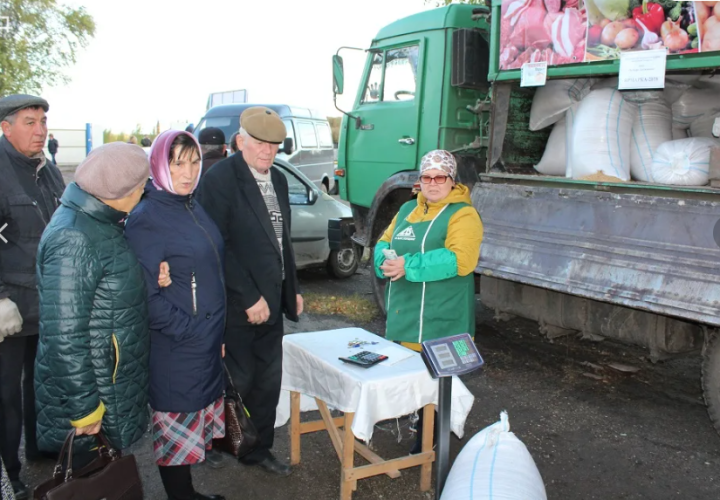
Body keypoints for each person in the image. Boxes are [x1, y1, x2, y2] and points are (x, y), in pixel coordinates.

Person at [196, 107, 302, 477]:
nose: (267, 152)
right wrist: (247, 298)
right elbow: (215, 245)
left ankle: (257, 450)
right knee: (232, 379)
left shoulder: (280, 181)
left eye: (274, 145)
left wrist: (294, 289)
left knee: (267, 382)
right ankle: (210, 441)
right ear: (239, 141)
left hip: (272, 301)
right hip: (236, 304)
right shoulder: (219, 179)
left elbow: (281, 240)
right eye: (259, 144)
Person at [34, 143, 151, 472]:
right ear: (119, 192)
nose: (144, 192)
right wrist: (85, 408)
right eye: (141, 186)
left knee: (105, 474)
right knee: (91, 479)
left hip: (107, 379)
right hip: (95, 393)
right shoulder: (75, 237)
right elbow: (63, 333)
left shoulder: (98, 221)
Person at [124, 130, 226, 500]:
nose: (188, 172)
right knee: (176, 433)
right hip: (177, 347)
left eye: (194, 162)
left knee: (189, 429)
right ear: (158, 164)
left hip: (204, 340)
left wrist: (216, 335)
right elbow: (146, 297)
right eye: (177, 163)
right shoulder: (147, 217)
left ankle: (188, 495)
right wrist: (193, 332)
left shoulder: (190, 204)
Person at [374, 149, 483, 453]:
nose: (433, 183)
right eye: (427, 177)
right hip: (406, 313)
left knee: (437, 385)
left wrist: (407, 266)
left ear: (451, 180)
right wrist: (383, 260)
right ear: (419, 181)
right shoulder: (408, 209)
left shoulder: (463, 214)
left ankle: (430, 443)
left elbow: (461, 260)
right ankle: (414, 425)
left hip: (441, 317)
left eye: (440, 177)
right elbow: (383, 242)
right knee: (409, 377)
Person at [0, 94, 65, 500]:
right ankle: (11, 471)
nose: (40, 129)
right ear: (6, 127)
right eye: (29, 121)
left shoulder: (51, 172)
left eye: (42, 120)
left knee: (43, 384)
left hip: (49, 302)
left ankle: (43, 448)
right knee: (6, 394)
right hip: (10, 309)